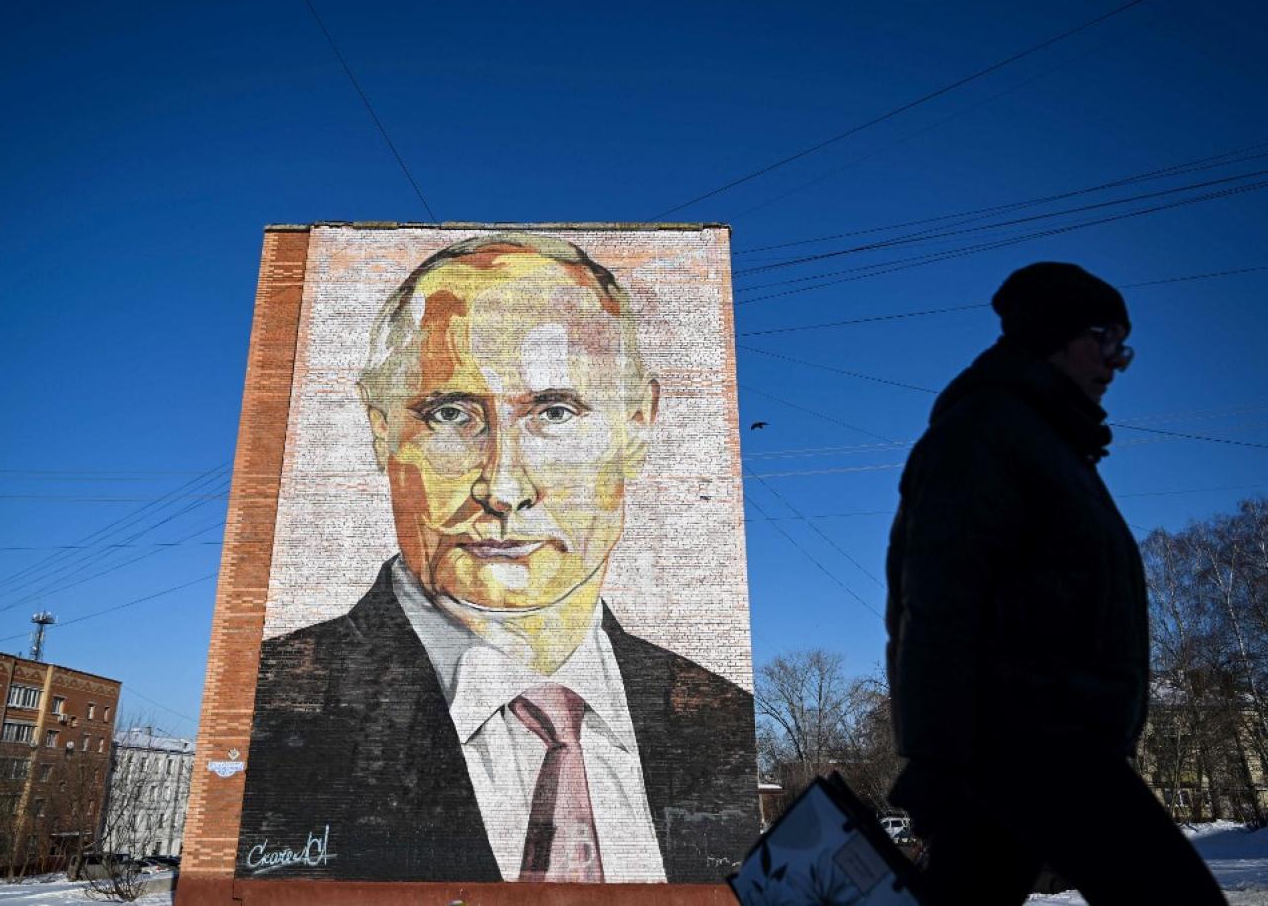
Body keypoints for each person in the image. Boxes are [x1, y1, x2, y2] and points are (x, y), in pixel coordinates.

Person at [236, 233, 758, 884]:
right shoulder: (267, 710)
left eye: (555, 411)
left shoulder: (722, 719)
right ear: (381, 430)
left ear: (637, 427)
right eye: (451, 413)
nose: (504, 488)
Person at [884, 262, 1226, 905]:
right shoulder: (987, 433)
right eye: (1108, 339)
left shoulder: (1047, 441)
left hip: (1032, 745)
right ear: (1056, 336)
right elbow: (936, 600)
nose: (1118, 361)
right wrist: (936, 757)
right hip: (1033, 742)